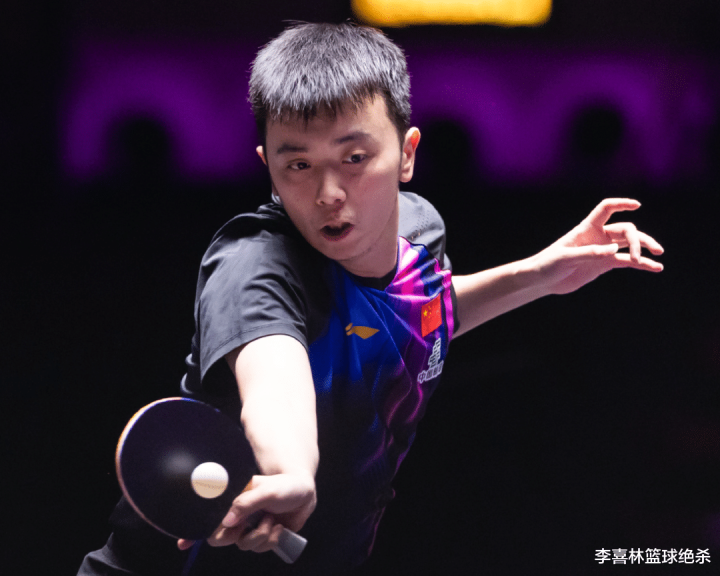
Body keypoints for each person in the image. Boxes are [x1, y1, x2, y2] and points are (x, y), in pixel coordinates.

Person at [78, 22, 664, 576]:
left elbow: (415, 315)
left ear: (407, 153)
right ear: (268, 168)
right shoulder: (253, 266)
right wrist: (291, 470)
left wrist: (541, 274)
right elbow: (273, 381)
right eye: (298, 164)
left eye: (354, 158)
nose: (328, 192)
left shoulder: (419, 231)